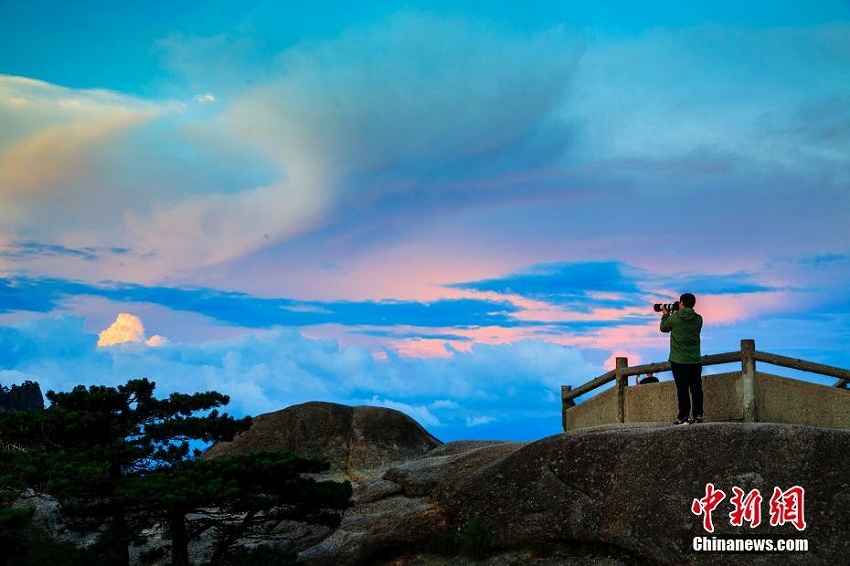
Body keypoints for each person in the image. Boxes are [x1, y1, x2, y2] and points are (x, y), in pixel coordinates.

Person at [660, 293, 703, 425]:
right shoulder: (698, 319)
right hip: (695, 359)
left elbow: (664, 328)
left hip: (678, 360)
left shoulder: (675, 318)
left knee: (682, 389)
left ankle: (684, 416)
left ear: (681, 303)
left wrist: (666, 314)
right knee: (696, 388)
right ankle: (698, 415)